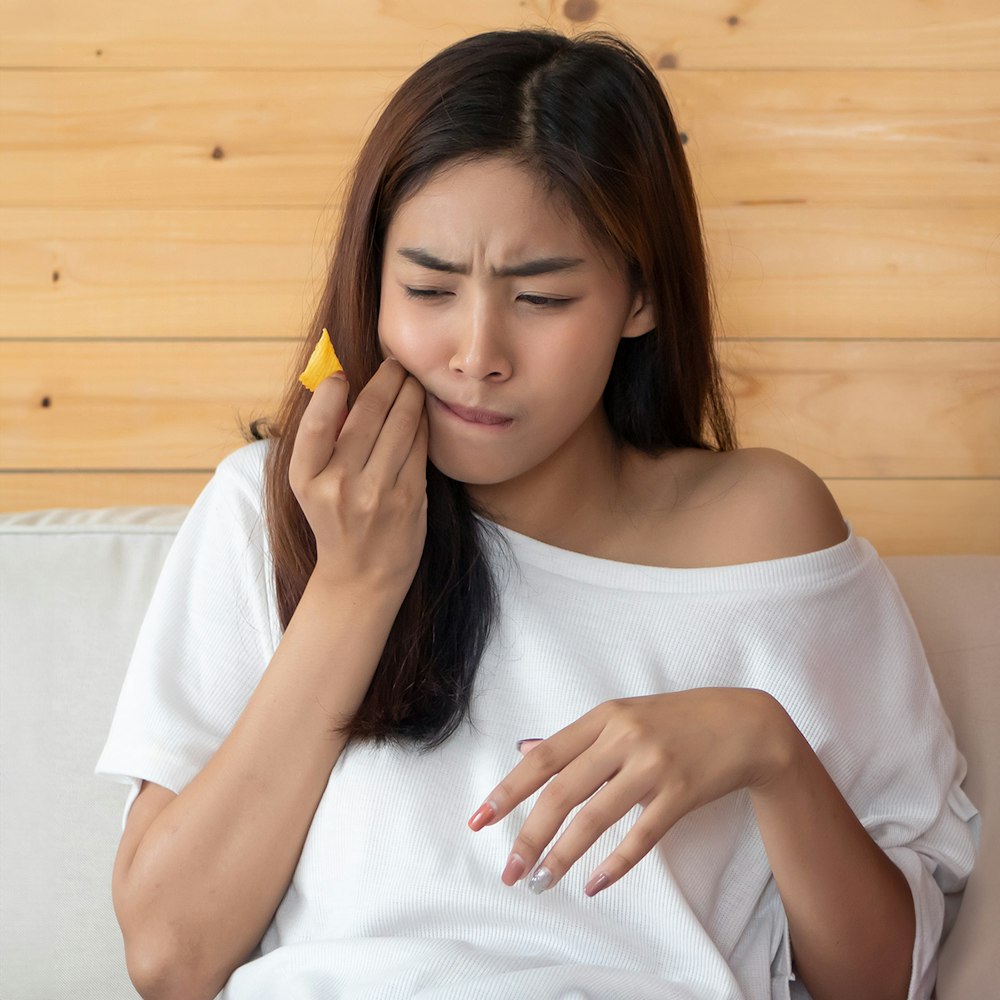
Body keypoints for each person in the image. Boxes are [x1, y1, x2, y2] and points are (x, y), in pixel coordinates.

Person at [95, 26, 978, 1000]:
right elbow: (171, 959)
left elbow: (888, 982)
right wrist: (356, 585)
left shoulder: (764, 528)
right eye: (428, 287)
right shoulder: (275, 509)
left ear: (638, 296)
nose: (477, 351)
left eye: (543, 298)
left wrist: (766, 747)